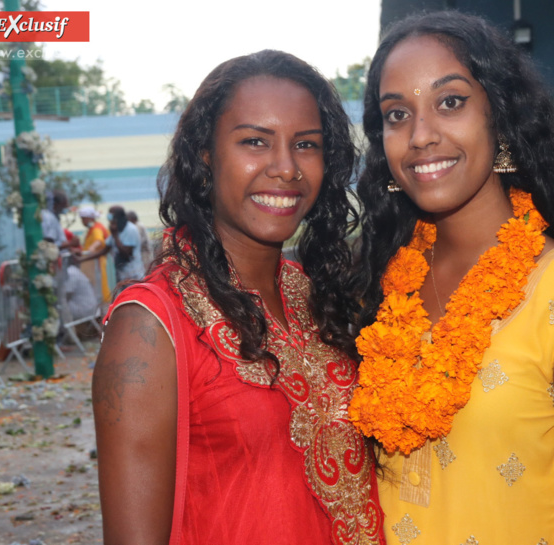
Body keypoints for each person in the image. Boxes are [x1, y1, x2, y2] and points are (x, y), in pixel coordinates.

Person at [349, 12, 554, 545]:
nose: (420, 136)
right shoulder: (376, 287)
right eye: (396, 114)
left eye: (450, 102)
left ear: (500, 119)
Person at [92, 50, 385, 544]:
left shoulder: (313, 295)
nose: (286, 168)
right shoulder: (150, 325)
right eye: (255, 141)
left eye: (306, 145)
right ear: (205, 154)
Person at [79, 205, 145, 284]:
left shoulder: (130, 229)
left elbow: (127, 254)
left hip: (133, 275)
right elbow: (104, 251)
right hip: (121, 275)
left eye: (111, 214)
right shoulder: (117, 230)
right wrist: (81, 259)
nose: (109, 217)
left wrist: (115, 236)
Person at [78, 206, 111, 302]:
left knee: (100, 288)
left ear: (90, 218)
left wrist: (91, 249)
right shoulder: (92, 228)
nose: (82, 221)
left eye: (83, 219)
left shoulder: (97, 228)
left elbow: (99, 240)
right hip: (92, 265)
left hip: (97, 264)